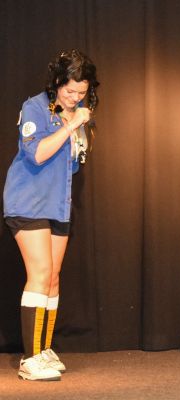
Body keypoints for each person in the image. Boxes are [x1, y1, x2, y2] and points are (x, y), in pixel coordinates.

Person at [3, 50, 99, 381]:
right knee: (41, 272)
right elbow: (38, 154)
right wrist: (71, 125)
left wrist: (76, 130)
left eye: (81, 92)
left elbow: (72, 165)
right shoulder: (36, 107)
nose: (75, 97)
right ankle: (30, 360)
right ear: (57, 82)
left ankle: (43, 350)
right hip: (28, 202)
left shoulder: (73, 115)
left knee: (53, 276)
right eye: (69, 90)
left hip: (58, 204)